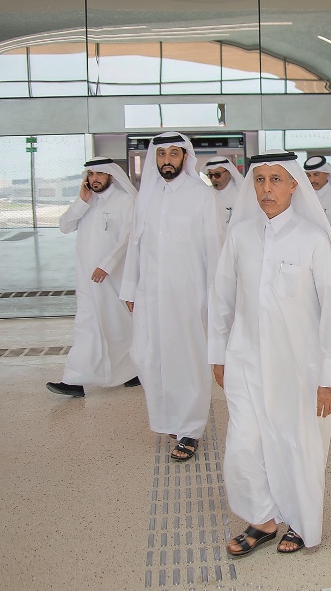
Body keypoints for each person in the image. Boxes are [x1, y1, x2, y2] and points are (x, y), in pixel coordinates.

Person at [209, 150, 331, 556]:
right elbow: (221, 298)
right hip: (246, 362)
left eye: (275, 180)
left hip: (300, 368)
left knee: (297, 444)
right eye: (259, 181)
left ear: (293, 185)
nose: (266, 189)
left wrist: (330, 378)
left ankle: (303, 524)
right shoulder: (240, 236)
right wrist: (218, 353)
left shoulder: (313, 238)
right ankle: (262, 519)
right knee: (243, 445)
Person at [121, 132, 220, 462]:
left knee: (187, 361)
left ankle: (190, 429)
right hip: (150, 294)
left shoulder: (202, 196)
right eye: (161, 154)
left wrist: (215, 297)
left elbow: (214, 250)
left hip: (189, 295)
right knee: (146, 356)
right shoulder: (146, 196)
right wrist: (129, 287)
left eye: (174, 153)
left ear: (185, 158)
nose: (167, 159)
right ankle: (167, 417)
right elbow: (135, 245)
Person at [47, 158, 140, 398]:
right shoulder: (87, 201)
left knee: (118, 327)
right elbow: (64, 226)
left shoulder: (125, 200)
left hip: (113, 279)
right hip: (87, 281)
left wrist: (107, 265)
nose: (94, 178)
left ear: (111, 176)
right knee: (87, 326)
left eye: (100, 173)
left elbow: (128, 238)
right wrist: (81, 201)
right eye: (91, 173)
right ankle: (74, 380)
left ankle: (133, 369)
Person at [202, 157, 242, 238]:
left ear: (229, 172)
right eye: (210, 175)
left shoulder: (240, 194)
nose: (213, 179)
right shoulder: (206, 194)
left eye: (217, 175)